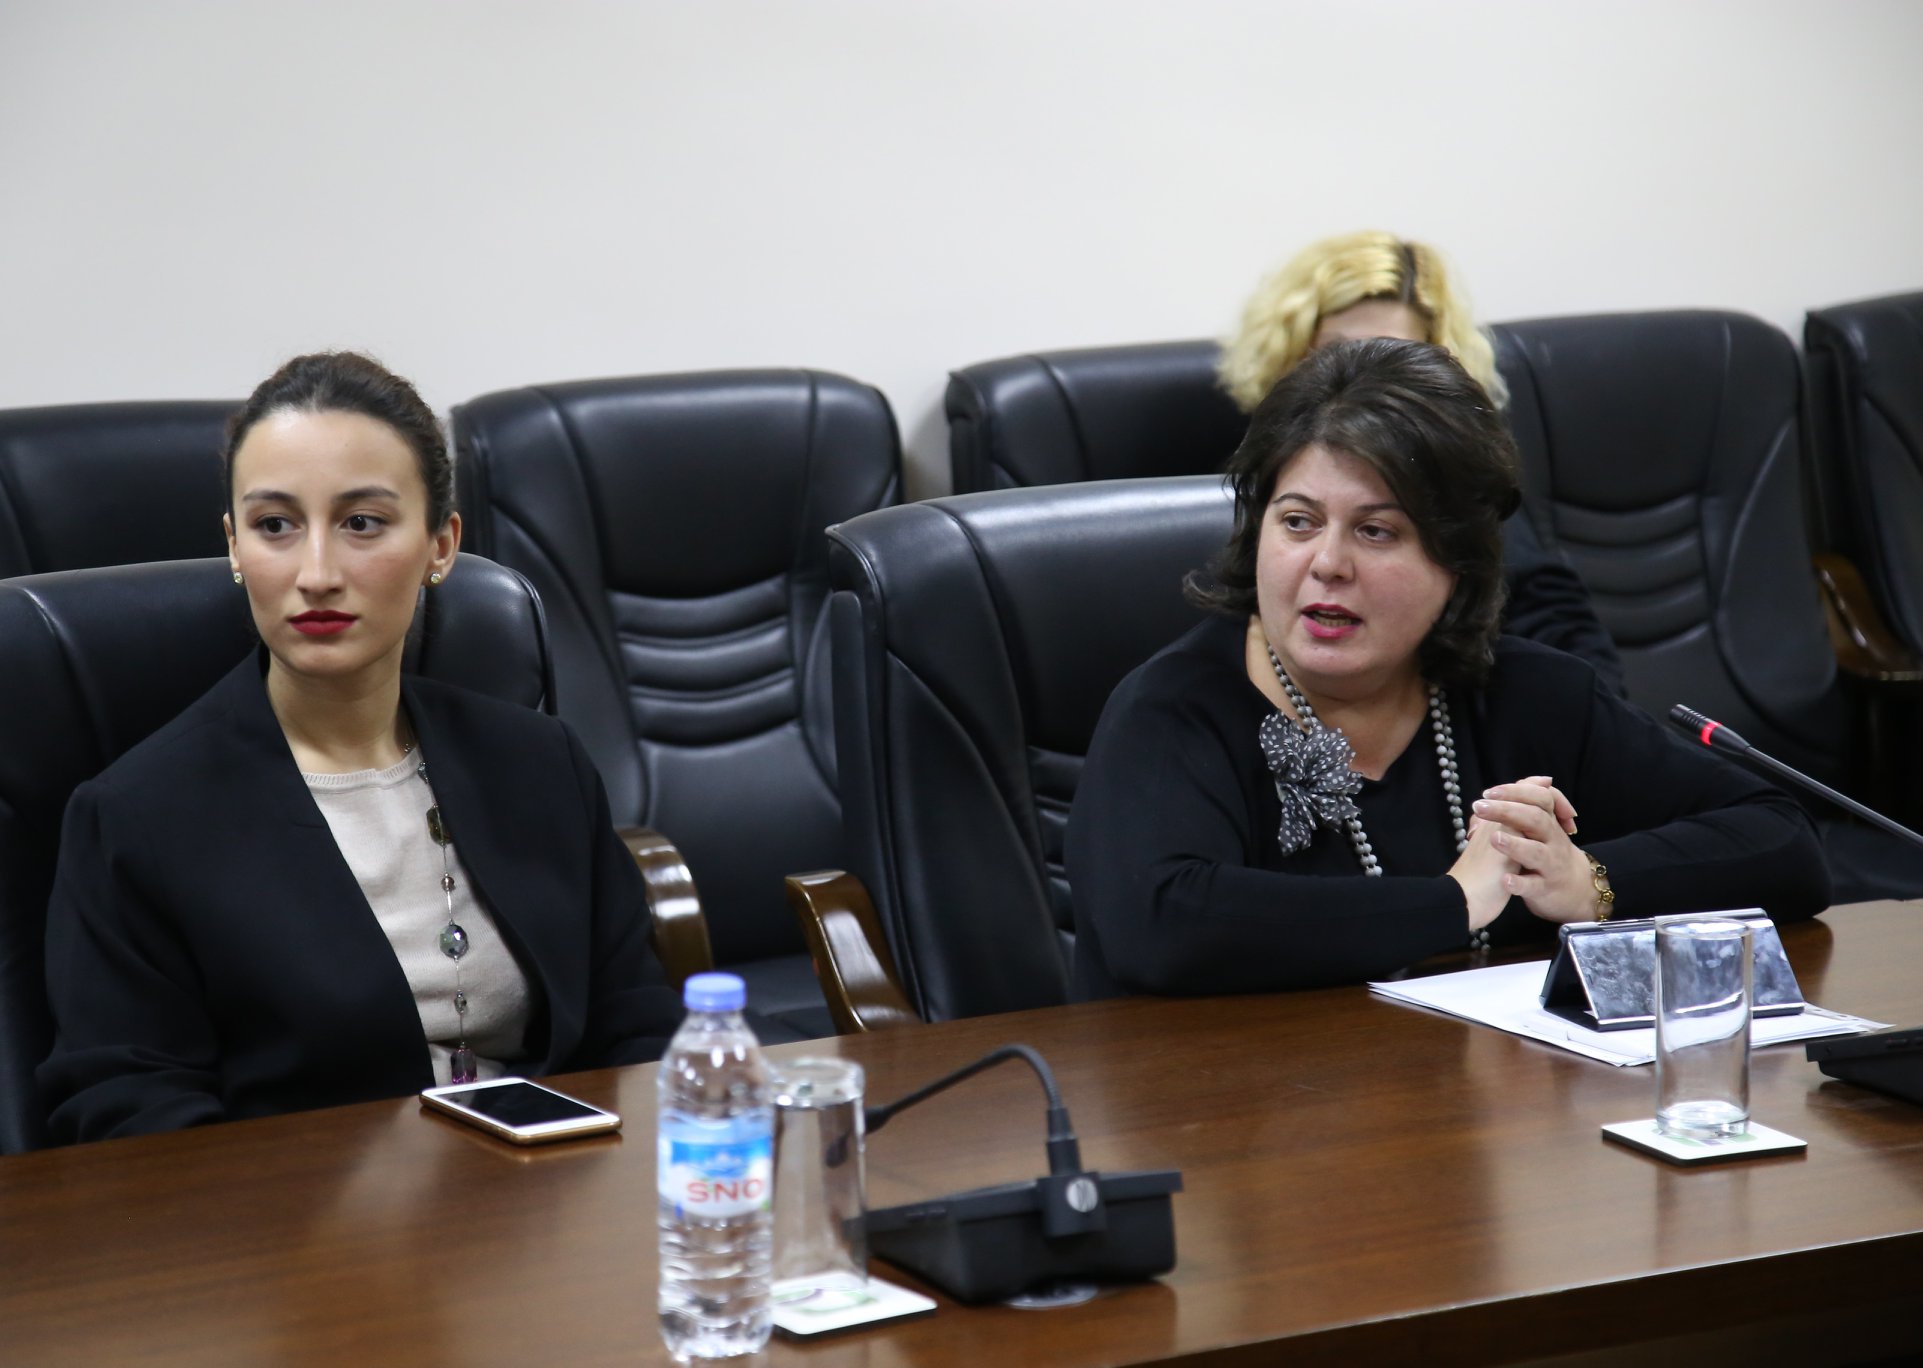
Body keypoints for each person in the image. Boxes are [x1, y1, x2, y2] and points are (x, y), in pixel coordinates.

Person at [38, 352, 684, 1143]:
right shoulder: (135, 818)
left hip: (555, 1193)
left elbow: (637, 1026)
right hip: (293, 1210)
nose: (316, 573)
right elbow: (129, 1111)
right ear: (234, 547)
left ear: (441, 545)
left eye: (362, 523)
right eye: (275, 526)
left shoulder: (539, 760)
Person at [1068, 338, 1827, 999]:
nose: (1327, 563)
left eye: (1376, 531)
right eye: (1297, 522)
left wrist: (1587, 882)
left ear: (1456, 564)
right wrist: (1454, 902)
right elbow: (1162, 925)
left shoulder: (1529, 695)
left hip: (1479, 1103)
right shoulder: (1171, 710)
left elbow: (1782, 843)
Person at [1217, 230, 1624, 693]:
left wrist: (1582, 715)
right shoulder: (1237, 468)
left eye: (1393, 357)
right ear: (1289, 354)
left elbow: (1557, 624)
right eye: (1337, 352)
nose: (1363, 379)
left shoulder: (1451, 480)